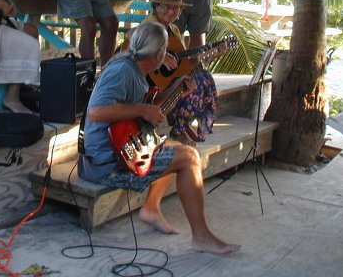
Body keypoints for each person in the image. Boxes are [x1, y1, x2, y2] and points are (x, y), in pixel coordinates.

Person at [78, 20, 240, 255]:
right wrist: (143, 110)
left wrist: (176, 89)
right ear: (159, 54)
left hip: (118, 152)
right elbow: (96, 112)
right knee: (190, 158)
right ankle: (201, 237)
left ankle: (151, 208)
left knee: (173, 145)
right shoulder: (122, 71)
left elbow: (148, 105)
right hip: (107, 164)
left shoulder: (133, 67)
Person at [121, 0, 228, 145]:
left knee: (203, 77)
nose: (171, 11)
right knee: (193, 84)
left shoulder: (174, 30)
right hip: (147, 81)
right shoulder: (151, 23)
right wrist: (163, 56)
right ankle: (180, 129)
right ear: (157, 6)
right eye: (166, 6)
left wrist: (213, 54)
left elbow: (184, 66)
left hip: (163, 82)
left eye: (176, 8)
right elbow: (131, 34)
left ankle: (181, 127)